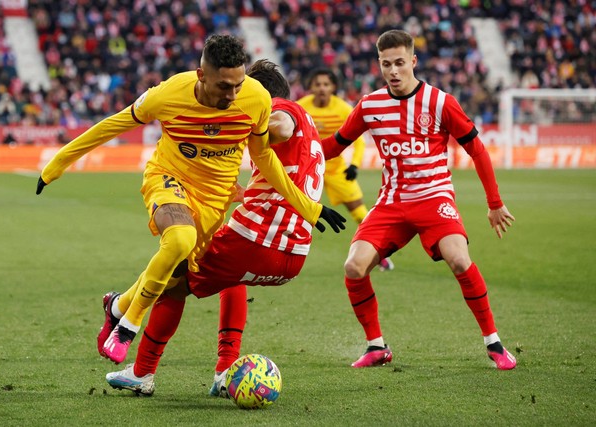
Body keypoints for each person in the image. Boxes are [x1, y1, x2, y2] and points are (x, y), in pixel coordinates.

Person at [35, 35, 346, 365]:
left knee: (178, 266)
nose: (233, 95)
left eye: (238, 85)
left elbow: (265, 157)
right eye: (225, 86)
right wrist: (57, 164)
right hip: (170, 178)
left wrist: (309, 207)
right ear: (202, 75)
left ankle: (116, 307)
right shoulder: (168, 94)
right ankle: (128, 326)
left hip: (214, 199)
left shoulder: (255, 97)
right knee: (181, 239)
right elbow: (114, 124)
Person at [103, 59, 328, 396]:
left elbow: (280, 126)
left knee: (173, 280)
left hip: (255, 241)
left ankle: (142, 372)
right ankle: (225, 370)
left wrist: (267, 121)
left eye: (241, 89)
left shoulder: (277, 109)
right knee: (230, 276)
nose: (234, 96)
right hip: (293, 255)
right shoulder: (310, 123)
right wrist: (246, 192)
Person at [321, 29, 517, 370]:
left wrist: (495, 202)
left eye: (399, 63)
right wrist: (286, 148)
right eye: (386, 64)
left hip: (434, 197)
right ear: (379, 65)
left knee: (458, 259)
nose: (393, 71)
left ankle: (494, 343)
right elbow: (332, 147)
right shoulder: (369, 106)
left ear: (413, 61)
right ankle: (376, 346)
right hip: (391, 203)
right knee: (353, 266)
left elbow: (478, 151)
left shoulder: (441, 102)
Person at [297, 68, 394, 272]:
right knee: (293, 209)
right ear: (310, 87)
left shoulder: (343, 108)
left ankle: (379, 254)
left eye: (326, 84)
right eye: (317, 84)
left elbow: (359, 139)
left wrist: (355, 164)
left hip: (336, 169)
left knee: (359, 211)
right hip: (308, 168)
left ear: (333, 87)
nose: (322, 88)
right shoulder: (300, 107)